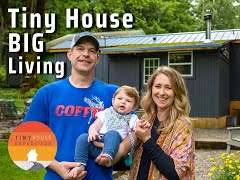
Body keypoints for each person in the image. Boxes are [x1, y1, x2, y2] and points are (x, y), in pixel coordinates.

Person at [23, 31, 134, 180]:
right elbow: (24, 141)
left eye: (92, 51)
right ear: (70, 54)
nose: (86, 54)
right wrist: (57, 167)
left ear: (98, 58)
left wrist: (118, 153)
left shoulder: (114, 95)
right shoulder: (48, 93)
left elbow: (136, 130)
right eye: (80, 48)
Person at [131, 66, 195, 179]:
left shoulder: (182, 126)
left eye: (168, 88)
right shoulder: (147, 118)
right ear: (151, 90)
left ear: (176, 92)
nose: (161, 92)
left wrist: (147, 139)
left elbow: (176, 173)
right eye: (157, 86)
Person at [70, 85, 139, 176]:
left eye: (128, 101)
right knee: (83, 137)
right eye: (120, 98)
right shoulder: (105, 113)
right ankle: (80, 164)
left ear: (134, 107)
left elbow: (138, 129)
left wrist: (142, 124)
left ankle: (107, 157)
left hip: (114, 149)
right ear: (113, 101)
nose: (123, 102)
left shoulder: (132, 118)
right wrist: (93, 132)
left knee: (112, 133)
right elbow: (95, 125)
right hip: (98, 144)